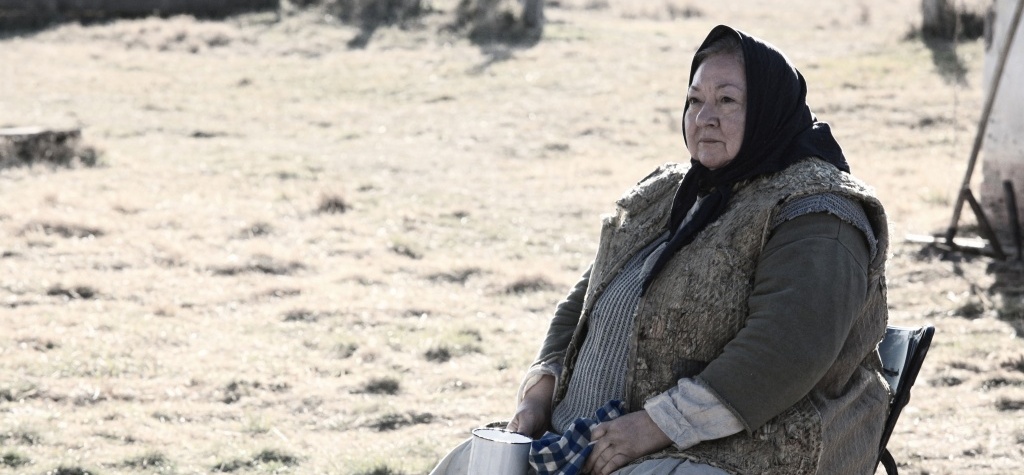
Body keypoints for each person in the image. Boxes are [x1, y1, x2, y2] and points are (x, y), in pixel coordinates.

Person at [431, 24, 890, 475]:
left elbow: (786, 350)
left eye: (726, 100)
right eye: (694, 100)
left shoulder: (819, 214)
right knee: (470, 464)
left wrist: (653, 427)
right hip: (592, 440)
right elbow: (589, 296)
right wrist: (538, 399)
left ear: (769, 110)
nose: (703, 117)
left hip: (740, 454)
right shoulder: (674, 190)